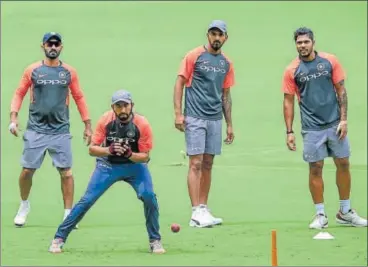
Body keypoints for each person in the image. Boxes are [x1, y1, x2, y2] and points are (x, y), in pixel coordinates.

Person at [48, 90, 165, 254]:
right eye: (118, 106)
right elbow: (92, 149)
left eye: (126, 105)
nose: (123, 110)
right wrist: (109, 150)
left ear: (132, 106)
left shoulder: (142, 124)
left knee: (149, 197)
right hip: (108, 166)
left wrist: (130, 154)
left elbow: (145, 157)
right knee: (87, 200)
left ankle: (155, 240)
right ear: (113, 107)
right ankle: (59, 238)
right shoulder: (105, 120)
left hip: (134, 167)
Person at [282, 27, 367, 229]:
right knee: (315, 168)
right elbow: (288, 101)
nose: (302, 46)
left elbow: (341, 91)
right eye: (299, 43)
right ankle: (320, 215)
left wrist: (343, 120)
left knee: (343, 163)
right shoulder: (291, 70)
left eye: (306, 42)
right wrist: (289, 131)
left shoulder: (330, 61)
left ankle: (345, 212)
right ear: (296, 44)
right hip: (311, 128)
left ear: (313, 42)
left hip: (334, 123)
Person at [9, 32, 92, 228]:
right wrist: (13, 116)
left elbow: (79, 97)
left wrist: (87, 124)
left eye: (56, 44)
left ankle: (68, 215)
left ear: (61, 47)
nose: (53, 47)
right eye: (49, 44)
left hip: (60, 130)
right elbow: (19, 92)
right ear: (43, 46)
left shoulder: (69, 72)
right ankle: (24, 205)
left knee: (66, 173)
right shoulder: (33, 70)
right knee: (27, 170)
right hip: (36, 129)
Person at [173, 20, 235, 228]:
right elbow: (180, 82)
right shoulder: (194, 56)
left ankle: (204, 207)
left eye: (220, 35)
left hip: (215, 118)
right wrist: (178, 114)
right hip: (195, 117)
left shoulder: (226, 63)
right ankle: (195, 212)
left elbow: (226, 94)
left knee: (208, 163)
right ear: (208, 35)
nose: (216, 38)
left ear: (225, 38)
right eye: (213, 34)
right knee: (196, 163)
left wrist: (229, 124)